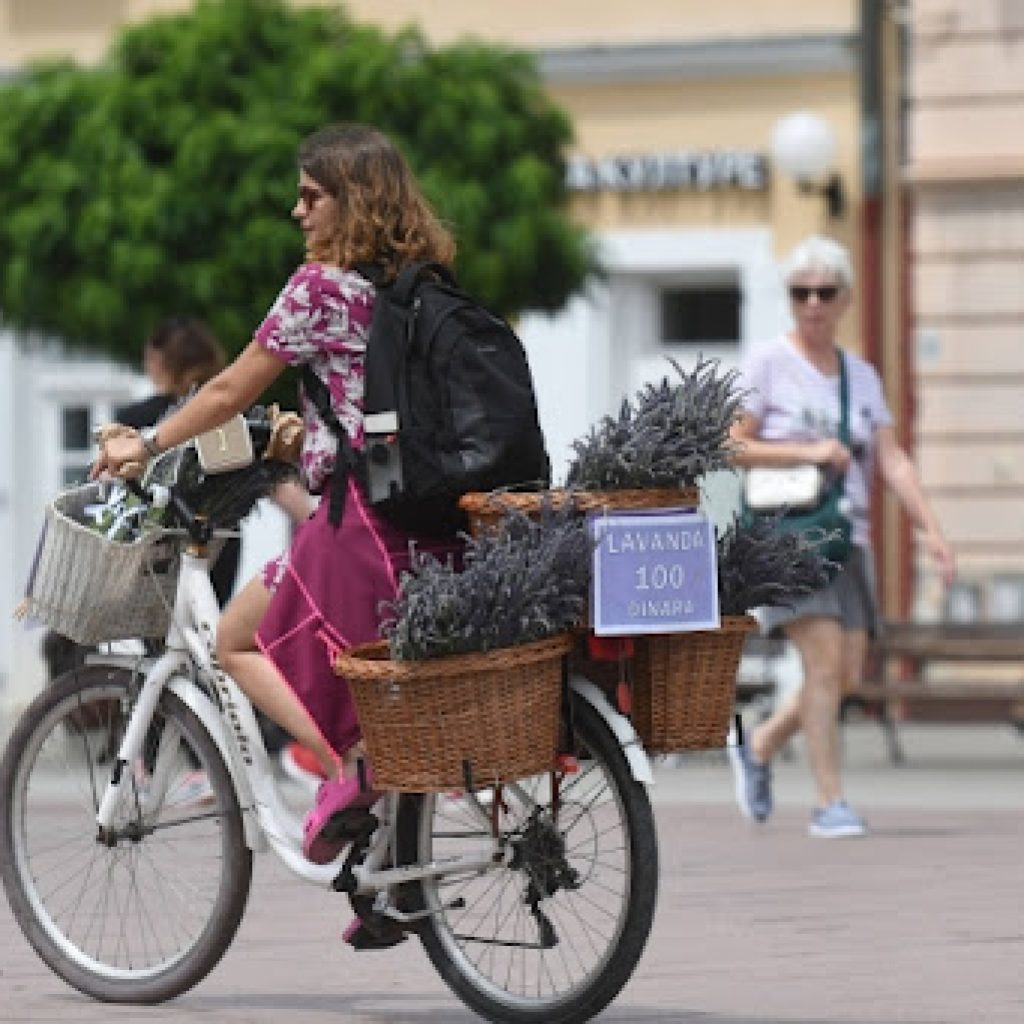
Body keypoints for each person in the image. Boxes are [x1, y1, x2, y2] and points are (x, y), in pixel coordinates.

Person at [92, 124, 461, 874]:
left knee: (234, 641)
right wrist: (296, 440)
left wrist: (147, 443)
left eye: (311, 195)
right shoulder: (419, 286)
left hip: (355, 524)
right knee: (373, 689)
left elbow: (229, 388)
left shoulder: (319, 289)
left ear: (351, 203)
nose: (298, 211)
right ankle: (391, 877)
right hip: (428, 518)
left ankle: (342, 773)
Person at [727, 235, 955, 839]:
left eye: (824, 292)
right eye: (800, 292)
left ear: (845, 298)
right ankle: (830, 803)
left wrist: (931, 530)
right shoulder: (768, 363)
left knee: (850, 672)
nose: (812, 304)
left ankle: (762, 745)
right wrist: (810, 449)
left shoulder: (860, 375)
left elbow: (892, 459)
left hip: (847, 536)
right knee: (823, 664)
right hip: (788, 536)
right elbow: (734, 444)